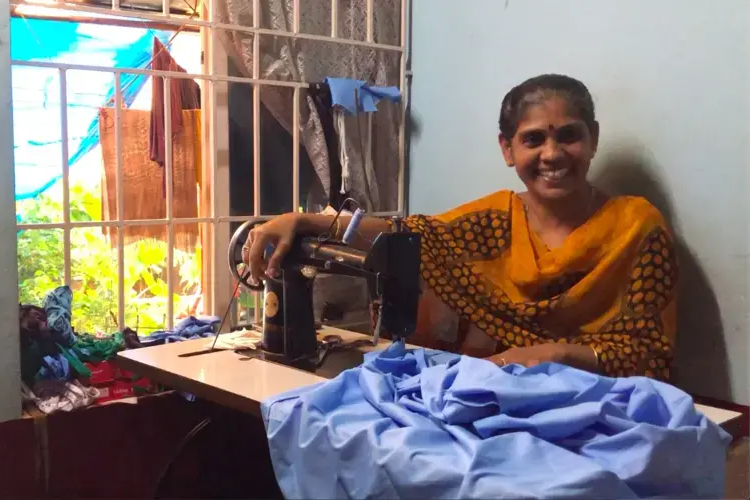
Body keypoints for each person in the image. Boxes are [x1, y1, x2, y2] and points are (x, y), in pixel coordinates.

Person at [242, 74, 676, 380]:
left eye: (568, 136)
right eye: (533, 139)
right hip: (508, 396)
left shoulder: (636, 229)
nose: (552, 153)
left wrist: (553, 354)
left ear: (593, 139)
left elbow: (650, 359)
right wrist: (300, 220)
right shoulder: (494, 222)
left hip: (607, 407)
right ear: (507, 149)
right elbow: (409, 234)